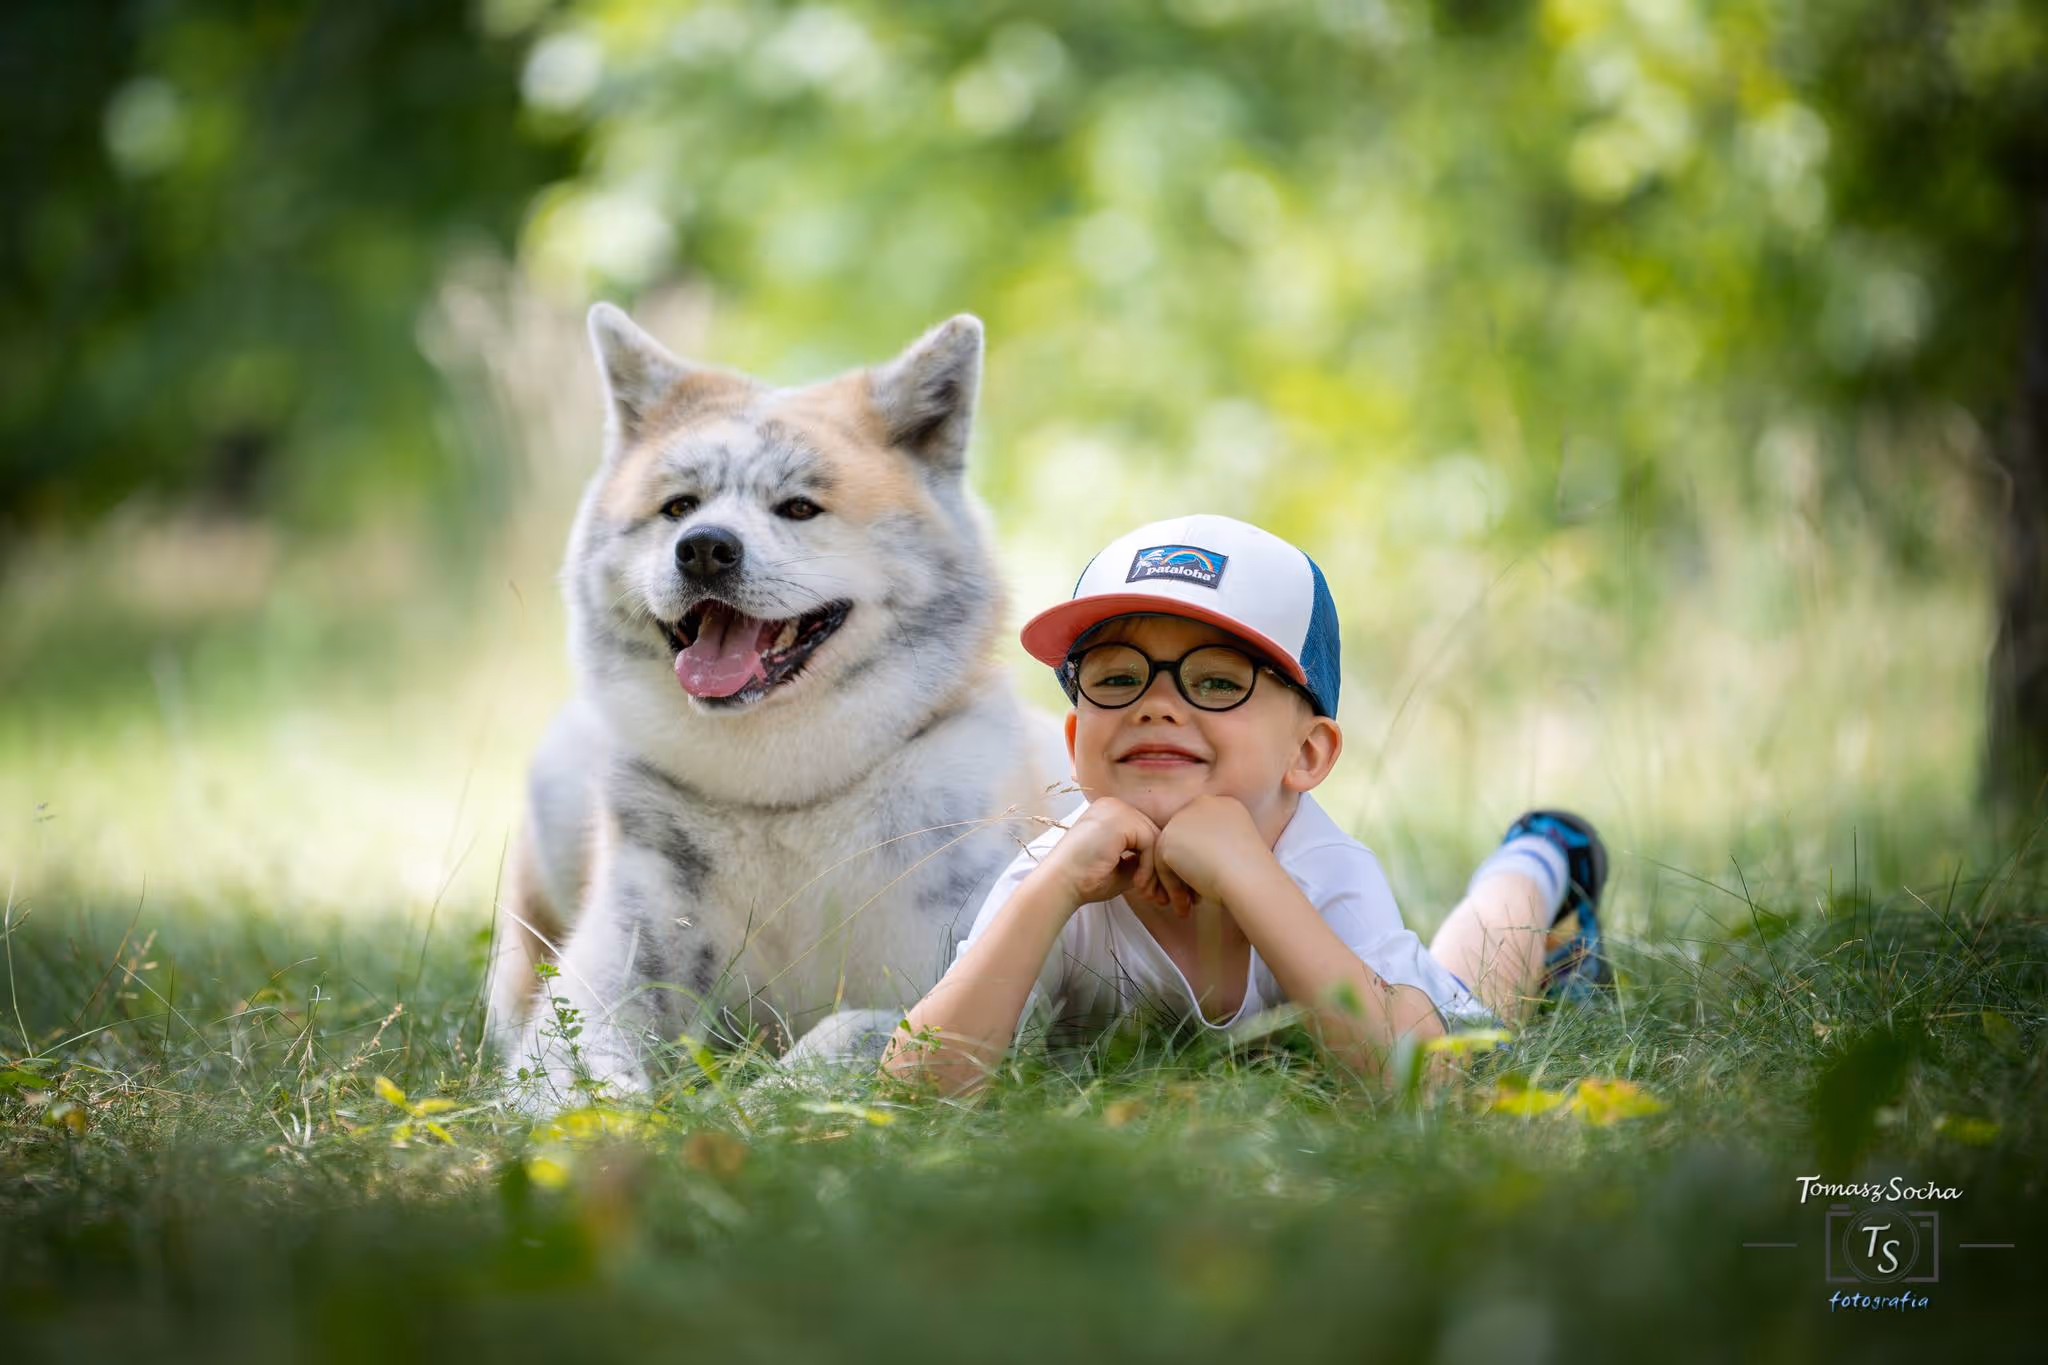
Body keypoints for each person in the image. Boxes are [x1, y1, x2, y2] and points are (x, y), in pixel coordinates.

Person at [787, 514, 1609, 1091]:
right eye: (1117, 677)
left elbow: (1422, 1079)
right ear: (1076, 742)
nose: (1157, 704)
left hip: (1405, 996)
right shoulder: (1065, 866)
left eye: (1218, 680)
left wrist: (1251, 875)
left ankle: (1538, 857)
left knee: (1483, 989)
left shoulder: (1321, 870)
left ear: (1308, 752)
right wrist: (1049, 887)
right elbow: (923, 1086)